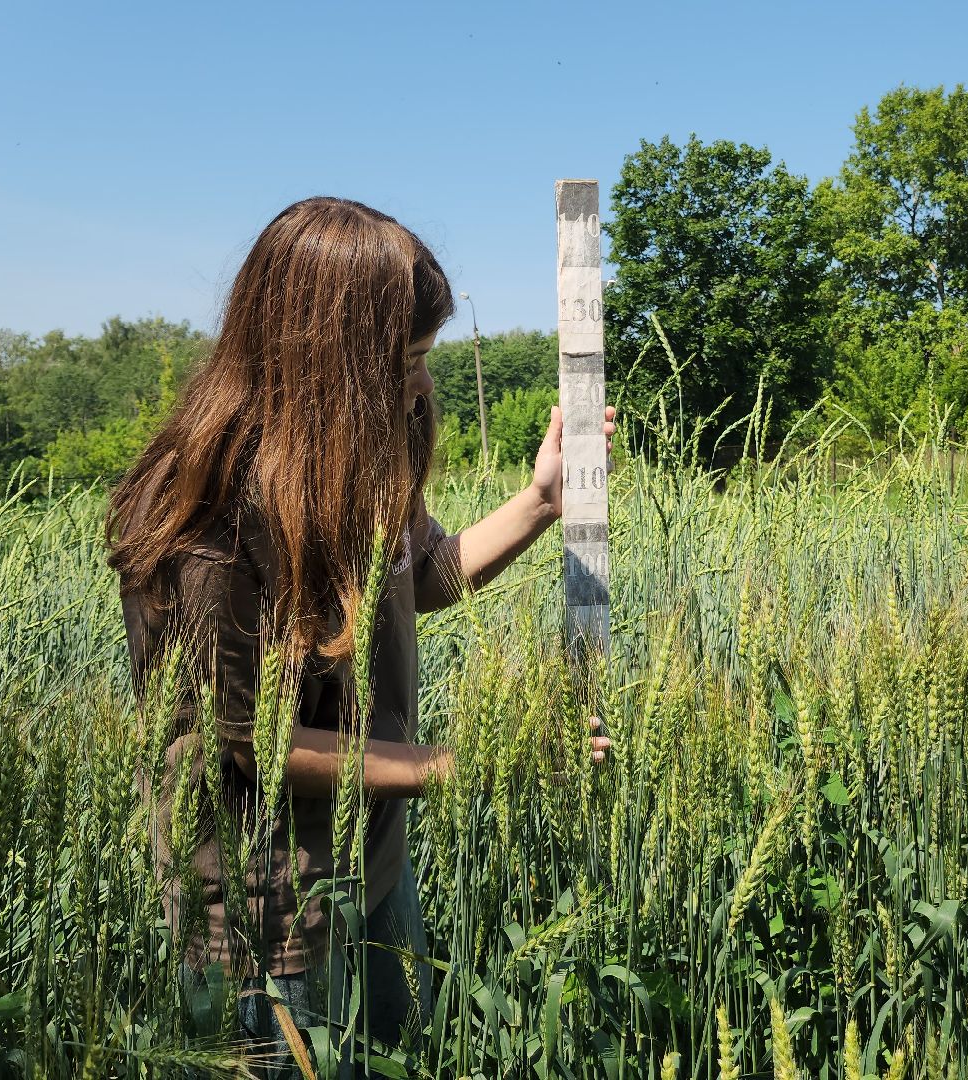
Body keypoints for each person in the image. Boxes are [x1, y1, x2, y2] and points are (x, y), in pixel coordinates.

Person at [105, 196, 613, 1077]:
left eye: (426, 356)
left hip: (373, 860)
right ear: (323, 362)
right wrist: (466, 764)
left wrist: (540, 503)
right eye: (405, 360)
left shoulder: (354, 457)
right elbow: (246, 740)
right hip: (274, 918)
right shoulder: (205, 516)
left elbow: (414, 582)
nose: (422, 385)